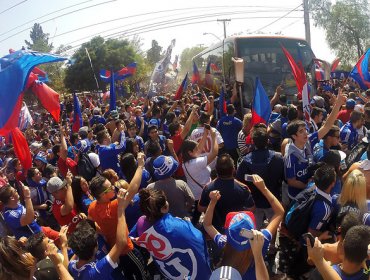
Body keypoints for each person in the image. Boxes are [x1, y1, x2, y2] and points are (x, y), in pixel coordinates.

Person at [203, 174, 284, 280]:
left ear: (228, 232)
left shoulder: (224, 242)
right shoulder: (260, 241)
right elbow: (279, 212)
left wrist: (213, 202)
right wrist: (263, 188)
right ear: (253, 230)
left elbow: (207, 225)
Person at [88, 152, 149, 280]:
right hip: (128, 249)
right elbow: (134, 187)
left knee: (128, 274)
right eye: (110, 187)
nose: (113, 187)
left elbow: (92, 224)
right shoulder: (115, 206)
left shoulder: (92, 206)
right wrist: (140, 166)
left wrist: (105, 231)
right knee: (142, 273)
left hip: (114, 250)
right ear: (104, 194)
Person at [129, 188, 212, 279]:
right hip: (188, 268)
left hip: (167, 268)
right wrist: (187, 223)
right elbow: (197, 238)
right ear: (164, 209)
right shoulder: (175, 226)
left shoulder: (141, 222)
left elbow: (133, 237)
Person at [68, 188, 130, 280]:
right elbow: (121, 243)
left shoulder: (73, 266)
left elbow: (70, 261)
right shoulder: (96, 270)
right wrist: (120, 209)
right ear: (95, 248)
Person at [236, 125, 284, 229]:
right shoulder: (278, 158)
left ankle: (255, 244)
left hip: (254, 202)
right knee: (273, 224)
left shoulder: (245, 161)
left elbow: (239, 182)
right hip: (272, 198)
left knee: (254, 227)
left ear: (253, 141)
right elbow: (284, 178)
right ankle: (271, 244)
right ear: (268, 141)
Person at [198, 153, 255, 232]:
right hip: (236, 227)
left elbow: (201, 208)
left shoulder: (208, 188)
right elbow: (251, 208)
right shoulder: (243, 188)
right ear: (233, 169)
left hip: (215, 229)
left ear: (216, 170)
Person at [182, 126, 218, 224]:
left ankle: (195, 226)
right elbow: (214, 153)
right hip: (204, 194)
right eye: (196, 149)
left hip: (196, 194)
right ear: (190, 152)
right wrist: (214, 137)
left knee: (196, 216)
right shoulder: (197, 162)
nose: (199, 149)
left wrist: (206, 134)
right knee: (211, 214)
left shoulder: (186, 163)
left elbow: (198, 148)